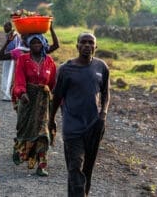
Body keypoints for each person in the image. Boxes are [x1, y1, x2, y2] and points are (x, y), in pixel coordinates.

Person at [49, 32, 110, 196]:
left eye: (91, 43)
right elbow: (57, 97)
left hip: (94, 126)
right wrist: (51, 119)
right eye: (83, 42)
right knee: (75, 168)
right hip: (72, 127)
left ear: (96, 47)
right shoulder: (66, 69)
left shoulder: (102, 67)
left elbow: (105, 94)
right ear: (77, 46)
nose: (87, 46)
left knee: (87, 169)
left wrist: (103, 114)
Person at [12, 34, 57, 177]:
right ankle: (20, 149)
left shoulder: (49, 61)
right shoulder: (23, 59)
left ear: (43, 44)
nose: (36, 45)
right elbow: (19, 79)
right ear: (29, 45)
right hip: (27, 100)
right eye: (33, 43)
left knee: (43, 133)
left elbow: (52, 84)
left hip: (43, 101)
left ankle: (42, 165)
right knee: (24, 128)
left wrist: (55, 100)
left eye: (39, 43)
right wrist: (22, 93)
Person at [0, 23, 59, 103]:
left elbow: (56, 45)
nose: (24, 38)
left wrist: (51, 28)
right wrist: (7, 42)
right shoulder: (19, 52)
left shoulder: (41, 52)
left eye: (26, 36)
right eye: (23, 36)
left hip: (41, 94)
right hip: (22, 90)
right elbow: (0, 57)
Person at [0, 21, 21, 101]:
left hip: (12, 57)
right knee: (7, 74)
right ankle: (7, 93)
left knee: (9, 75)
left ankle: (8, 94)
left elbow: (16, 46)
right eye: (4, 27)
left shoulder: (13, 34)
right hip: (9, 56)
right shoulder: (10, 34)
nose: (4, 28)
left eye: (6, 26)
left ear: (10, 26)